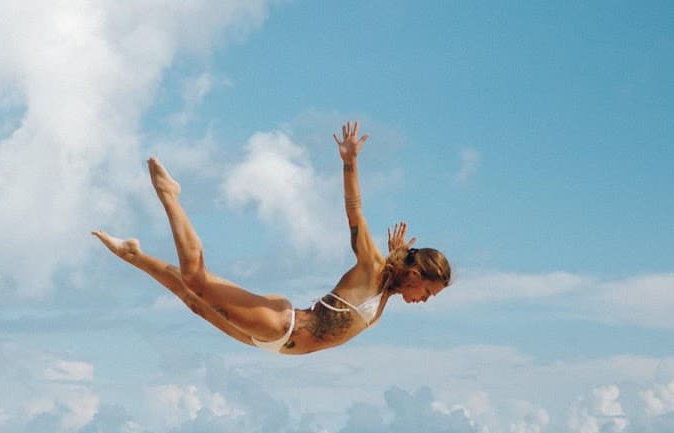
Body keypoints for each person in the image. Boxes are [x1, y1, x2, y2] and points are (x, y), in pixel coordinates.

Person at [92, 121, 452, 355]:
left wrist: (400, 253)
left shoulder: (387, 286)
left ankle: (133, 255)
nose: (424, 301)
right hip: (283, 323)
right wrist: (350, 163)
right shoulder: (372, 266)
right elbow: (354, 211)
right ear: (417, 276)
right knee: (196, 280)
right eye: (428, 293)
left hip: (271, 343)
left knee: (195, 303)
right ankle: (169, 194)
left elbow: (394, 272)